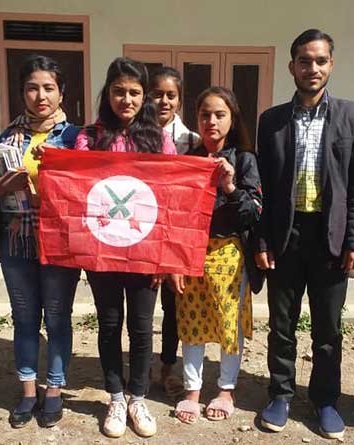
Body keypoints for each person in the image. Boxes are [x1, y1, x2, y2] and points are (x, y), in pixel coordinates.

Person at [254, 28, 354, 440]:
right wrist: (263, 240)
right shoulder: (271, 120)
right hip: (285, 237)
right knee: (281, 324)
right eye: (304, 61)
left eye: (320, 61)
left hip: (330, 238)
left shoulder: (352, 116)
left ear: (331, 65)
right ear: (292, 67)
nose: (313, 68)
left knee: (328, 329)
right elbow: (264, 188)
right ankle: (280, 395)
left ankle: (325, 400)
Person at [74, 57, 176, 438]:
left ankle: (138, 398)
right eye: (119, 91)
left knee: (142, 327)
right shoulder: (89, 138)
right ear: (108, 93)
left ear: (144, 96)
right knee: (109, 323)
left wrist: (166, 256)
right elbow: (77, 189)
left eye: (135, 92)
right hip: (102, 248)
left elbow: (171, 199)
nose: (127, 99)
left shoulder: (159, 140)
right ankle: (115, 397)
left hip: (145, 251)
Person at [0, 55, 81, 428]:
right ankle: (26, 391)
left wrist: (53, 173)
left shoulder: (76, 138)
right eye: (32, 88)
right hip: (16, 240)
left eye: (49, 88)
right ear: (22, 92)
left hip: (60, 243)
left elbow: (86, 188)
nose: (41, 96)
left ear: (61, 93)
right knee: (23, 317)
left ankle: (53, 389)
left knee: (57, 317)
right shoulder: (7, 137)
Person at [169, 87, 262, 424]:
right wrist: (174, 260)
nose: (211, 121)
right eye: (205, 114)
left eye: (219, 114)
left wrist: (230, 186)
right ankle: (192, 391)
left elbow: (253, 213)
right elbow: (174, 213)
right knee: (191, 322)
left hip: (229, 253)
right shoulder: (188, 159)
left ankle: (226, 389)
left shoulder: (245, 159)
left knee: (228, 323)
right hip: (190, 251)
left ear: (232, 119)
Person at [148, 66, 201, 398]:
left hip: (175, 237)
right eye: (157, 94)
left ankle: (168, 367)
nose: (163, 101)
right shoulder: (134, 137)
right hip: (141, 234)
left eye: (171, 95)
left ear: (180, 100)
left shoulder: (192, 142)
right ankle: (141, 367)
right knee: (139, 308)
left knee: (172, 308)